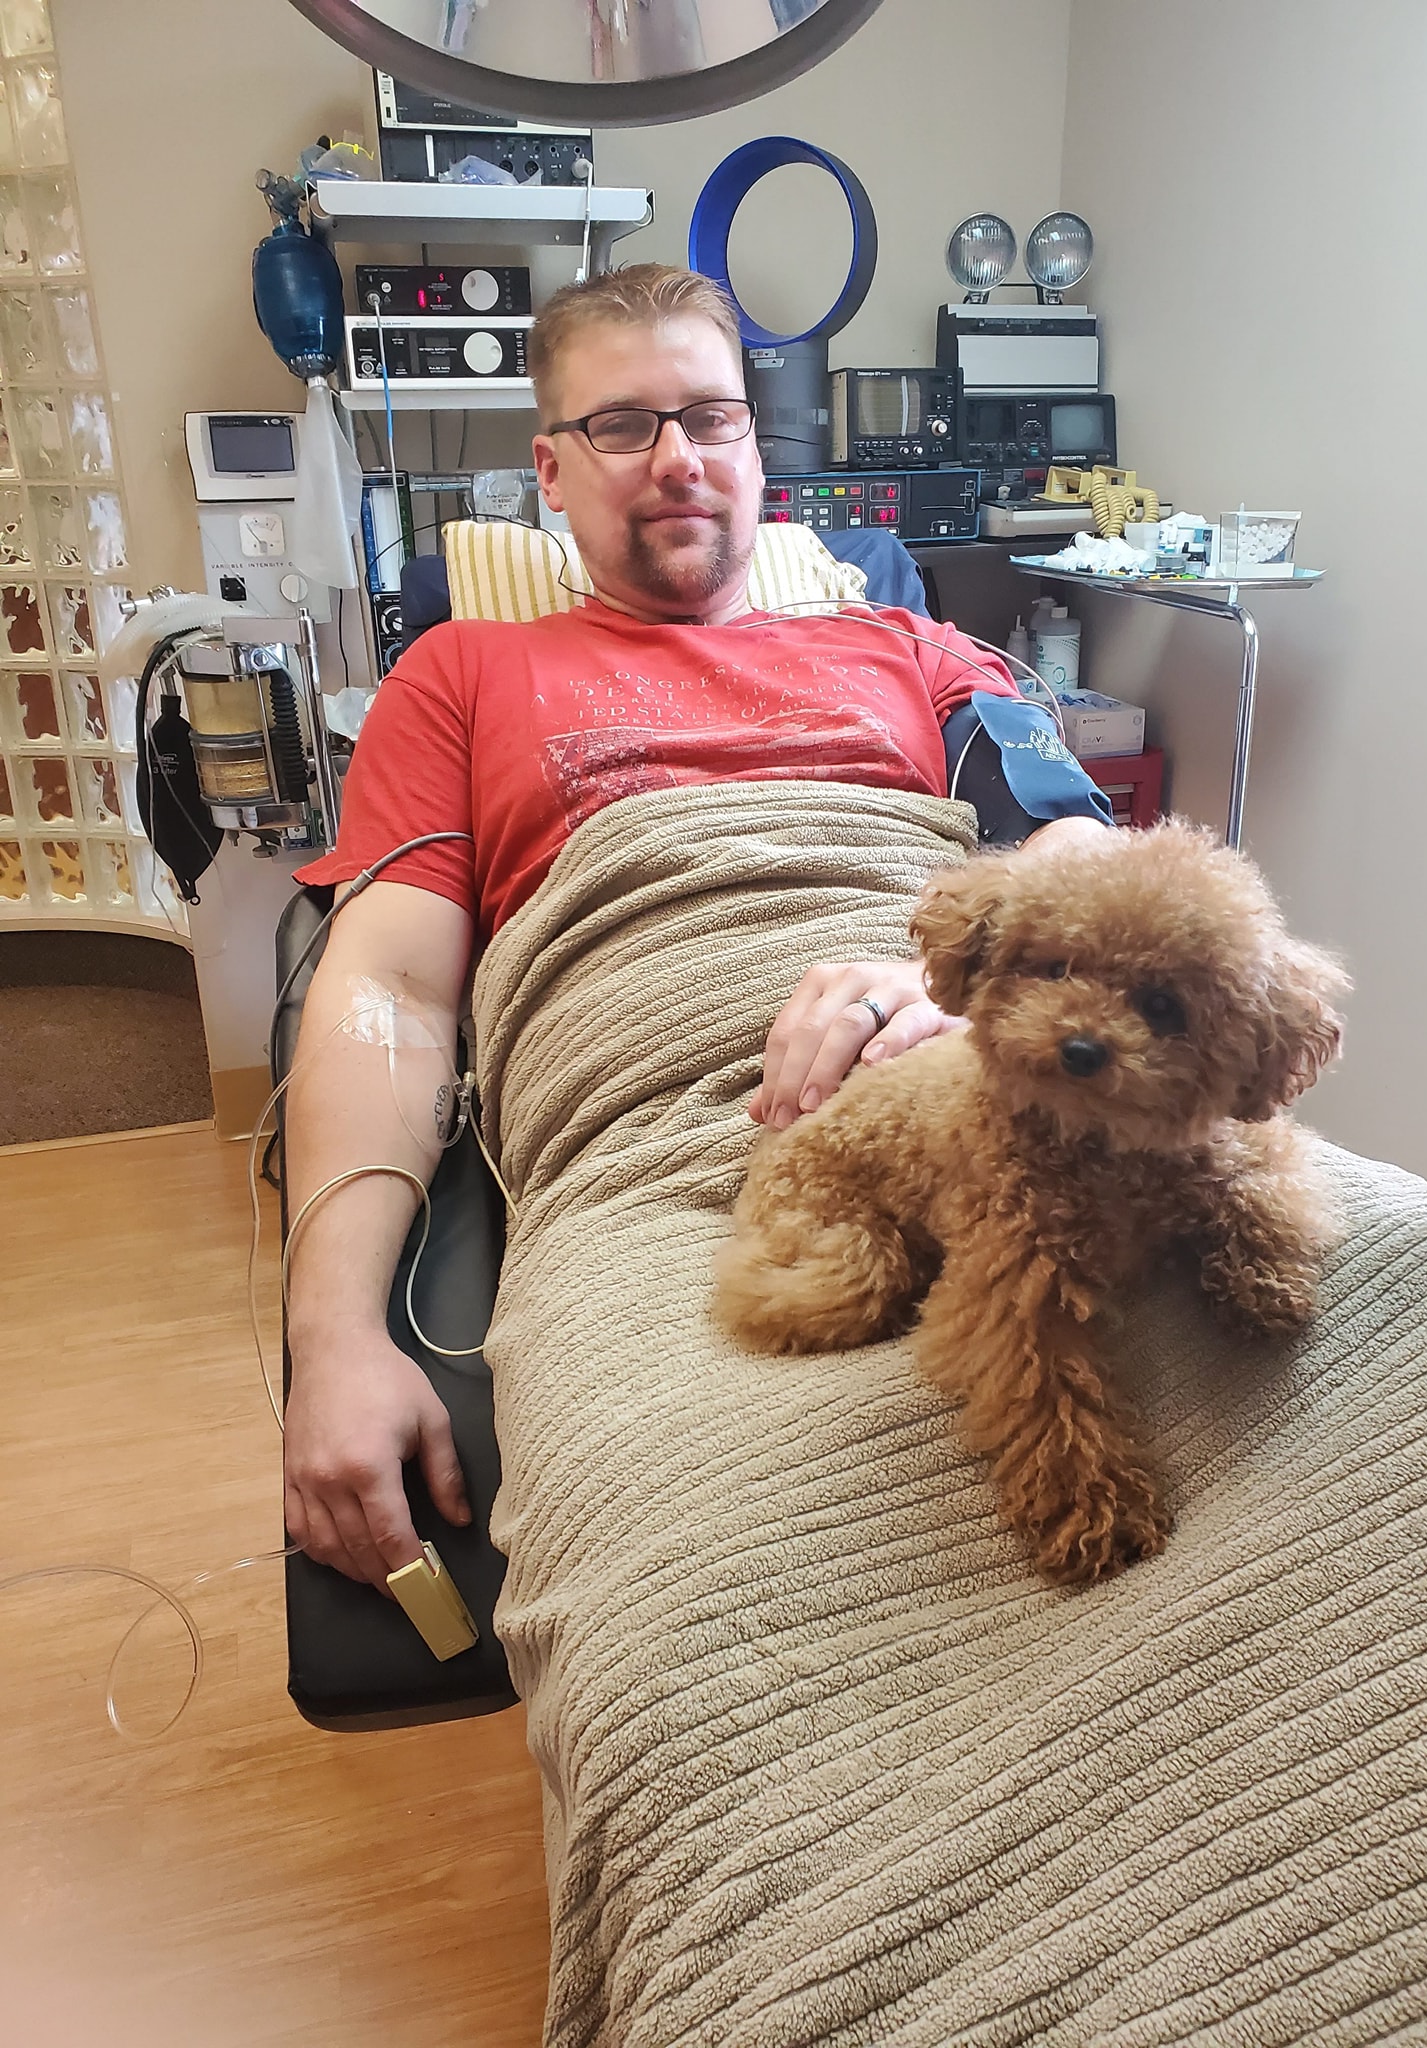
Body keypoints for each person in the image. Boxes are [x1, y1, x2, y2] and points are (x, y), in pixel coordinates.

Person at [282, 263, 1104, 1593]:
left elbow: (1081, 854)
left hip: (987, 1068)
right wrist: (332, 1342)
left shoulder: (909, 647)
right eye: (622, 425)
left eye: (711, 418)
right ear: (549, 472)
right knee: (714, 1567)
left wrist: (960, 981)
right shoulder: (462, 675)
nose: (676, 459)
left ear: (754, 446)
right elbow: (387, 988)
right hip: (670, 1153)